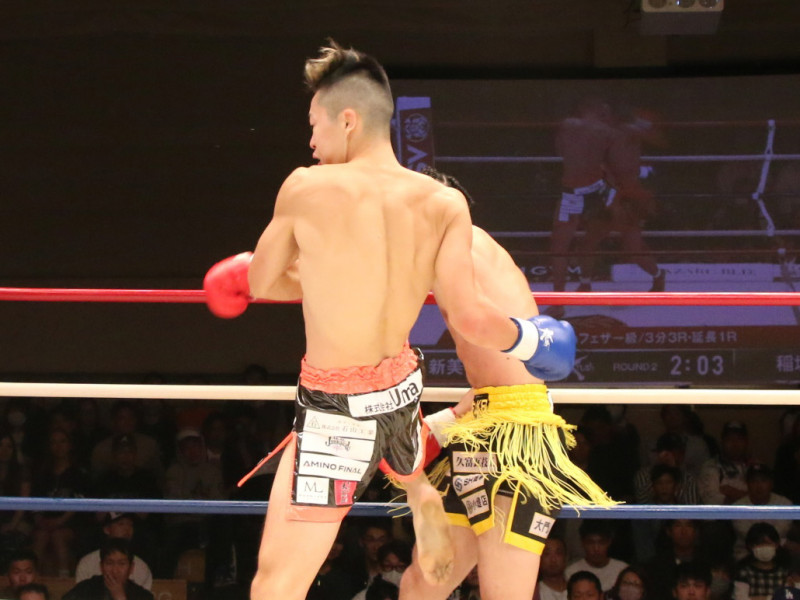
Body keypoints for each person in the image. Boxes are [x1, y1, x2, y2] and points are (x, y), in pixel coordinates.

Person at [203, 40, 577, 600]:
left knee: (276, 584)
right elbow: (471, 317)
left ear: (347, 120)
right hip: (402, 396)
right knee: (419, 533)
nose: (311, 141)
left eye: (315, 125)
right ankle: (419, 489)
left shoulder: (306, 186)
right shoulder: (443, 205)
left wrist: (271, 271)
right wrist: (532, 340)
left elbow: (258, 282)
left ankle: (419, 486)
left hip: (338, 412)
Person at [397, 168, 610, 600]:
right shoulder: (455, 251)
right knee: (421, 584)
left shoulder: (463, 248)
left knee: (503, 593)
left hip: (516, 438)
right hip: (482, 423)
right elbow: (494, 372)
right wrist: (444, 422)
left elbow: (483, 332)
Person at [576, 108, 665, 294]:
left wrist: (639, 124)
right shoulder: (598, 138)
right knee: (590, 241)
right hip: (608, 192)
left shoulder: (627, 132)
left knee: (633, 248)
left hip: (627, 195)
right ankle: (585, 283)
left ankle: (658, 276)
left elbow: (657, 139)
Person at [74, 513, 153, 590]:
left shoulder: (141, 567)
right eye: (121, 524)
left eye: (130, 524)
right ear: (107, 529)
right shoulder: (87, 563)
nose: (127, 529)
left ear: (131, 567)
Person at [62, 538, 153, 600]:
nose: (115, 570)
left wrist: (119, 597)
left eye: (122, 564)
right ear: (101, 566)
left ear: (131, 568)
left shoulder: (142, 596)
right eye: (109, 563)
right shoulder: (85, 589)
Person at [565, 520, 628, 592]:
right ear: (582, 543)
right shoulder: (571, 572)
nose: (596, 548)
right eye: (591, 543)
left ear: (609, 542)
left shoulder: (622, 570)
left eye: (601, 542)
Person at [734, 522, 789, 600]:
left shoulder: (784, 573)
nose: (763, 547)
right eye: (759, 544)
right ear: (750, 546)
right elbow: (740, 598)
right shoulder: (744, 573)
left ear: (777, 544)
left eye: (767, 543)